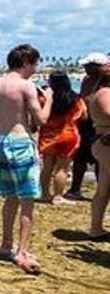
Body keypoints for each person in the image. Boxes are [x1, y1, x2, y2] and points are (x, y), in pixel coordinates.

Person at [0, 44, 52, 274]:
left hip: (2, 140)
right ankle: (21, 250)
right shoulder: (26, 86)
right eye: (34, 63)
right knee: (27, 199)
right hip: (21, 142)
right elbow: (41, 119)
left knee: (11, 196)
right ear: (26, 63)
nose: (35, 68)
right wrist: (49, 99)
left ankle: (6, 243)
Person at [65, 54, 108, 200]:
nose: (85, 69)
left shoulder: (105, 82)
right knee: (80, 157)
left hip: (101, 124)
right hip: (86, 122)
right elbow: (83, 98)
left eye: (88, 66)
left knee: (99, 159)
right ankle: (75, 188)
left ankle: (102, 189)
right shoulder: (87, 80)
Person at [38, 71, 86, 204]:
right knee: (62, 167)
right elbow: (84, 115)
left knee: (47, 166)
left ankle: (45, 194)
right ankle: (58, 196)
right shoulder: (74, 98)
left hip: (48, 135)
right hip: (68, 134)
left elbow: (39, 115)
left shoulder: (45, 98)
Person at [87, 63, 110, 240]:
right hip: (105, 142)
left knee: (103, 189)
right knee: (103, 189)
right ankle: (95, 228)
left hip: (103, 142)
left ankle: (96, 228)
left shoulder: (100, 92)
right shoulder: (105, 93)